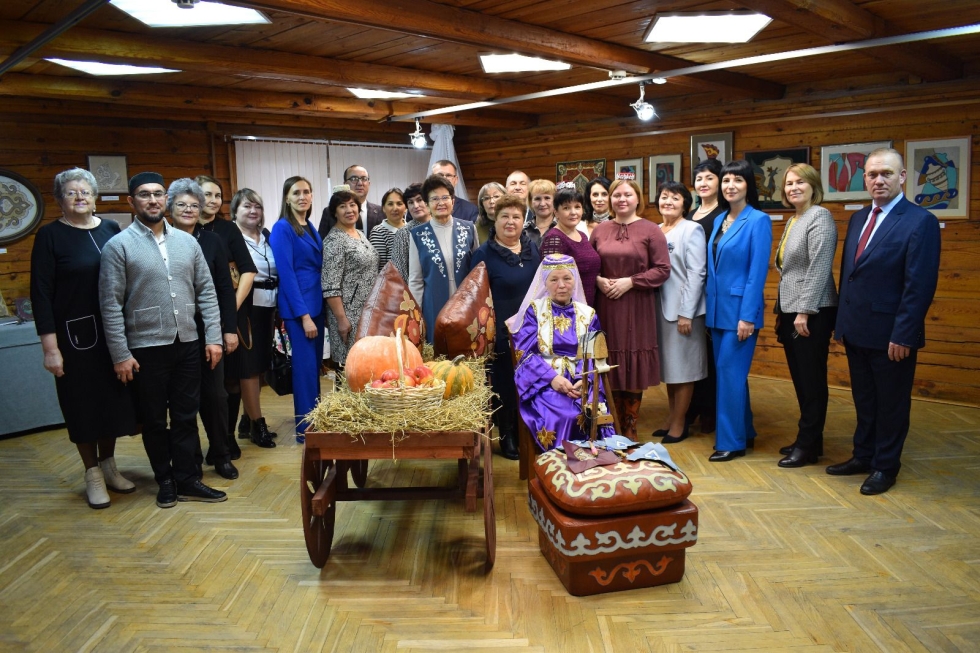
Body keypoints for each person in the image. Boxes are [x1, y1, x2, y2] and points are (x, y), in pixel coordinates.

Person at [99, 172, 226, 507]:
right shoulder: (119, 246)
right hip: (145, 348)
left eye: (157, 194)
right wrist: (120, 354)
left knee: (186, 414)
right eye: (144, 195)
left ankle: (187, 479)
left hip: (188, 343)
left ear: (164, 200)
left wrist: (212, 337)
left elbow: (207, 293)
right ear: (132, 202)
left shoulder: (188, 243)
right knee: (155, 419)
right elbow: (110, 304)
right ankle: (165, 480)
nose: (152, 200)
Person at [827, 148, 941, 495]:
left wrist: (904, 335)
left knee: (891, 404)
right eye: (872, 174)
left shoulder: (919, 221)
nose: (878, 180)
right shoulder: (859, 218)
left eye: (886, 174)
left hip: (892, 335)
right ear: (865, 179)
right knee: (864, 400)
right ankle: (863, 456)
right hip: (857, 329)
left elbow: (918, 286)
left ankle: (885, 466)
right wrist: (841, 324)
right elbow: (851, 275)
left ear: (902, 177)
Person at [30, 168, 138, 509]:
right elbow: (41, 294)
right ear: (60, 200)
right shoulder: (50, 236)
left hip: (114, 335)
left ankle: (109, 465)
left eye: (85, 192)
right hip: (74, 339)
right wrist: (51, 349)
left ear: (94, 197)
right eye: (72, 192)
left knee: (114, 403)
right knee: (83, 406)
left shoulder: (109, 229)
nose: (79, 197)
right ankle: (91, 472)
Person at [167, 179, 241, 480]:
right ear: (170, 208)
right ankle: (190, 461)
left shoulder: (212, 241)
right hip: (176, 331)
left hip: (211, 328)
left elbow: (225, 288)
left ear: (201, 210)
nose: (188, 209)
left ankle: (221, 454)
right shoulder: (163, 240)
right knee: (184, 400)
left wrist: (230, 329)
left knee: (216, 397)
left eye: (194, 205)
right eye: (181, 205)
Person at [590, 177, 671, 439]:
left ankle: (630, 425)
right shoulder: (600, 230)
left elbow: (662, 269)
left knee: (632, 365)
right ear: (611, 200)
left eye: (627, 195)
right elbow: (589, 266)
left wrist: (630, 282)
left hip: (637, 305)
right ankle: (610, 425)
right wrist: (599, 280)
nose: (621, 199)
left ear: (638, 199)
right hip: (606, 305)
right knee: (609, 361)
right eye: (616, 195)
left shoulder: (651, 230)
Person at [704, 160, 773, 462]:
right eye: (726, 180)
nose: (730, 185)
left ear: (749, 185)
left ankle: (731, 442)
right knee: (731, 374)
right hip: (718, 311)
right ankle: (746, 430)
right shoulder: (720, 220)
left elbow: (756, 273)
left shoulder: (758, 220)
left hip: (740, 314)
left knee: (729, 375)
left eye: (738, 180)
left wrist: (748, 315)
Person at [510, 254, 615, 452]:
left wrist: (587, 382)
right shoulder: (534, 311)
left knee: (593, 412)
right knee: (566, 415)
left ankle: (594, 467)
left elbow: (596, 356)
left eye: (567, 278)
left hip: (581, 379)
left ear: (574, 281)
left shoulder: (587, 313)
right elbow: (524, 354)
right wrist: (552, 379)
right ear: (545, 282)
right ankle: (561, 469)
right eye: (554, 279)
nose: (561, 285)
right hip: (544, 382)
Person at [773, 164, 839, 468]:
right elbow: (788, 269)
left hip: (812, 311)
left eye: (800, 182)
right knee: (801, 379)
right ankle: (810, 440)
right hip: (790, 309)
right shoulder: (794, 219)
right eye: (788, 183)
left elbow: (819, 268)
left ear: (814, 186)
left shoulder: (819, 216)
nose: (793, 188)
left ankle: (808, 444)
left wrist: (804, 311)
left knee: (812, 380)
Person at [466, 195, 539, 459]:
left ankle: (527, 432)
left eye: (516, 217)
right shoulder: (483, 255)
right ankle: (507, 435)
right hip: (500, 332)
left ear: (524, 221)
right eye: (504, 216)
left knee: (530, 382)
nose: (510, 222)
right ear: (495, 220)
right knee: (506, 384)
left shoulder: (533, 250)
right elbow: (474, 299)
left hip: (531, 331)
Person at [193, 174, 257, 453]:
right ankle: (212, 440)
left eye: (218, 196)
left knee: (230, 379)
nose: (213, 200)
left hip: (232, 315)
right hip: (194, 317)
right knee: (204, 384)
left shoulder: (228, 230)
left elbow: (248, 269)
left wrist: (231, 307)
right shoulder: (182, 228)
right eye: (207, 195)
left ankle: (227, 436)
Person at [268, 176, 324, 442]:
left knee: (314, 369)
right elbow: (287, 274)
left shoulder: (309, 226)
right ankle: (305, 430)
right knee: (304, 371)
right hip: (300, 309)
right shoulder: (282, 228)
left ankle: (317, 421)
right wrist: (304, 316)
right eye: (296, 192)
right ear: (287, 198)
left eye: (307, 192)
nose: (303, 196)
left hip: (317, 304)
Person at [651, 181, 707, 445]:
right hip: (658, 309)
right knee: (671, 369)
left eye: (675, 198)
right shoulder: (655, 230)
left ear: (686, 203)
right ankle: (672, 416)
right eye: (664, 197)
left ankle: (680, 422)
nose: (669, 202)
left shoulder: (691, 229)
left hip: (683, 312)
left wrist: (687, 312)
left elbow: (697, 273)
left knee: (684, 370)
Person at [231, 188, 278, 448]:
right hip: (245, 307)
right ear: (235, 211)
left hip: (269, 307)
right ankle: (257, 426)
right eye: (246, 207)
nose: (252, 211)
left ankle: (246, 419)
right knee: (248, 368)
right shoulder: (231, 237)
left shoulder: (267, 236)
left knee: (260, 366)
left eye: (257, 207)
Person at [408, 175, 479, 342]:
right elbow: (416, 280)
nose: (441, 203)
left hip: (467, 304)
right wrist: (416, 314)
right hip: (433, 305)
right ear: (427, 204)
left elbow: (478, 272)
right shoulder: (418, 235)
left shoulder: (469, 228)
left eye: (445, 197)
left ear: (453, 201)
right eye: (434, 199)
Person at [685, 159, 725, 435]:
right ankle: (692, 407)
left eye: (709, 178)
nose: (703, 184)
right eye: (699, 179)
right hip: (689, 294)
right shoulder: (689, 216)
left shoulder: (723, 214)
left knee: (711, 356)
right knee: (693, 354)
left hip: (713, 292)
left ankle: (710, 411)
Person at [322, 187, 379, 368]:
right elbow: (330, 285)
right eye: (342, 206)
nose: (349, 210)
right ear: (335, 213)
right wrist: (341, 319)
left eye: (352, 205)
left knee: (366, 364)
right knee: (350, 366)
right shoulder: (335, 241)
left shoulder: (359, 234)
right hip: (348, 313)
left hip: (366, 310)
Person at [539, 182, 600, 305]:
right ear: (556, 212)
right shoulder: (554, 239)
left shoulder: (582, 235)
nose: (573, 212)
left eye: (577, 207)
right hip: (568, 310)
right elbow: (551, 282)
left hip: (589, 304)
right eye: (566, 208)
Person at [319, 164, 383, 239]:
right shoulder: (330, 212)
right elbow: (322, 242)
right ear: (345, 184)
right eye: (354, 179)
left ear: (369, 183)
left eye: (364, 178)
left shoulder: (381, 211)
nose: (360, 183)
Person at [368, 187, 407, 271]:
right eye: (390, 204)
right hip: (391, 283)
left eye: (399, 203)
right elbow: (379, 268)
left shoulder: (412, 229)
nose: (395, 208)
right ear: (383, 208)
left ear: (406, 208)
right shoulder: (378, 232)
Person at [523, 179, 557, 249]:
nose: (542, 204)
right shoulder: (523, 231)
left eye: (547, 198)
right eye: (537, 199)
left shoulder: (563, 228)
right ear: (530, 202)